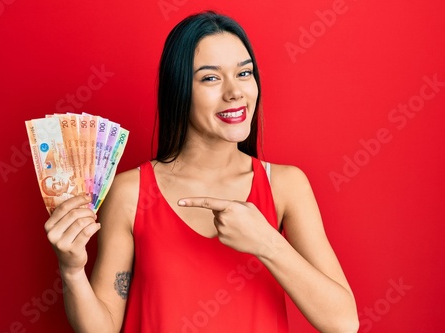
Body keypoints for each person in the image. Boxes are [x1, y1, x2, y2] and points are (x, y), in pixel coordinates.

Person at [44, 11, 359, 333]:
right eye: (211, 78)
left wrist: (268, 243)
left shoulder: (286, 185)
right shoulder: (130, 192)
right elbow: (102, 328)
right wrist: (71, 270)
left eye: (244, 73)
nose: (235, 92)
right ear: (179, 90)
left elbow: (344, 323)